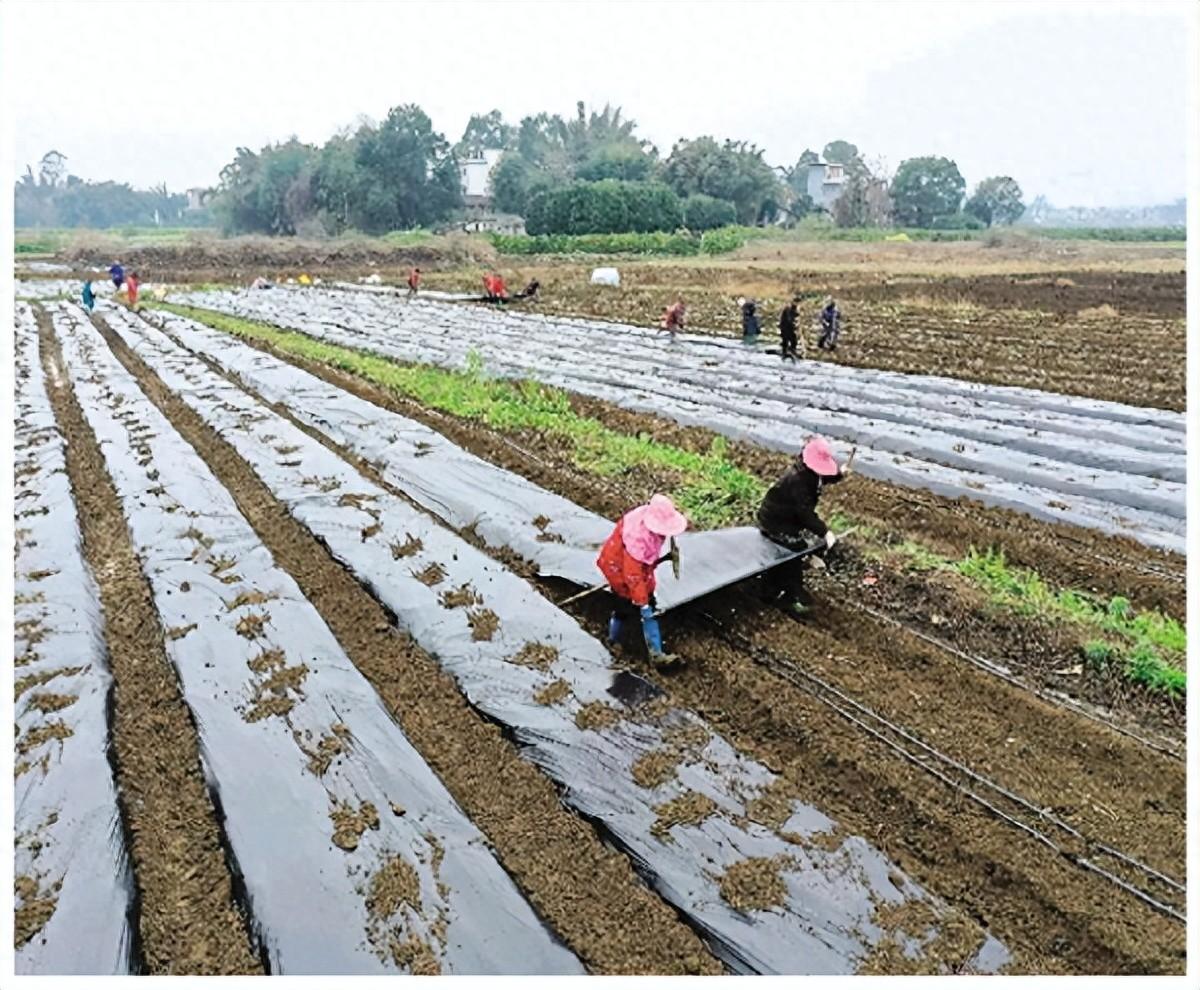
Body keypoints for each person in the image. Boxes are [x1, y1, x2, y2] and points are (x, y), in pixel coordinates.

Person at [756, 437, 853, 614]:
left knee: (796, 547)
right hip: (775, 519)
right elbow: (805, 514)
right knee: (793, 550)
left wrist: (839, 474)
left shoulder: (810, 474)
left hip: (789, 518)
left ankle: (779, 586)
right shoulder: (797, 481)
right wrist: (826, 532)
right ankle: (787, 593)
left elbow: (822, 479)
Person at [596, 494, 689, 667]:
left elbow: (644, 566)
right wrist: (642, 603)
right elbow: (633, 576)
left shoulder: (650, 526)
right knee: (623, 606)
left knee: (650, 605)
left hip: (637, 567)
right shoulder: (637, 539)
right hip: (617, 568)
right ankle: (613, 641)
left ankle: (656, 653)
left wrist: (647, 601)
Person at [779, 295, 801, 362]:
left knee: (794, 341)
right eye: (796, 302)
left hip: (791, 328)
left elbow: (796, 317)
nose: (797, 304)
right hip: (785, 328)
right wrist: (795, 324)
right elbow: (789, 319)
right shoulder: (788, 308)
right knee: (785, 342)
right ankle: (784, 356)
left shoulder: (795, 308)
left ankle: (792, 353)